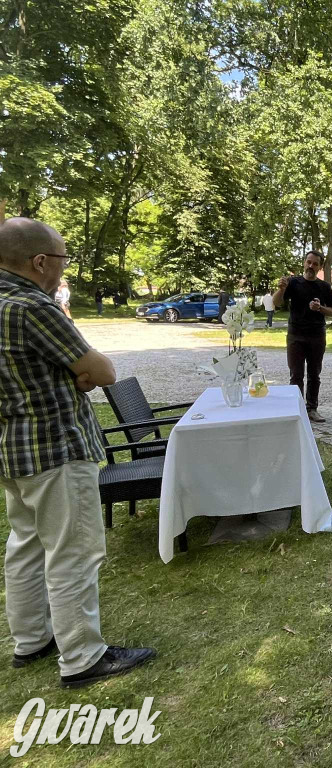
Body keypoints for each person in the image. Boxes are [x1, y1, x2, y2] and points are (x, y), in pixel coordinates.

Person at [0, 217, 156, 687]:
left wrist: (73, 373)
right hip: (56, 448)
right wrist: (77, 374)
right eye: (63, 260)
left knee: (25, 545)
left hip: (12, 451)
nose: (64, 270)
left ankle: (31, 639)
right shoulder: (32, 307)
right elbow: (102, 371)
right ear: (40, 261)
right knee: (73, 552)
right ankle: (83, 656)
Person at [273, 251, 332, 423]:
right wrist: (281, 289)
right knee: (296, 375)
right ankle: (297, 409)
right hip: (296, 335)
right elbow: (276, 303)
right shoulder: (293, 283)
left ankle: (312, 409)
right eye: (308, 262)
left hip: (317, 335)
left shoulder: (324, 287)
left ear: (320, 267)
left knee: (314, 374)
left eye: (315, 264)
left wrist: (320, 308)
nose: (311, 266)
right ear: (304, 262)